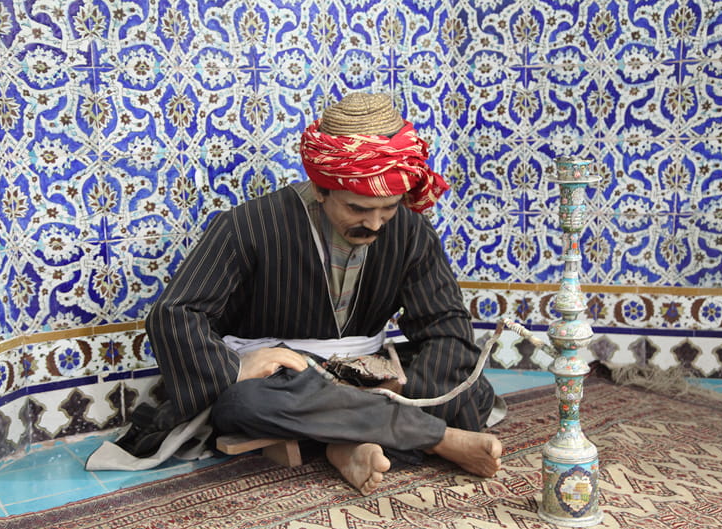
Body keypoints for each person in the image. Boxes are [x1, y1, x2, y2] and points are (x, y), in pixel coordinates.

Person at [137, 92, 502, 495]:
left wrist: (407, 386)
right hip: (286, 378)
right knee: (245, 403)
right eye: (358, 209)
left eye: (388, 209)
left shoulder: (411, 230)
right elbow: (174, 313)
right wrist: (237, 368)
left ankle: (342, 442)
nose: (375, 224)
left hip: (369, 372)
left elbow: (445, 323)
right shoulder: (249, 224)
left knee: (469, 385)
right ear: (321, 188)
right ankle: (435, 439)